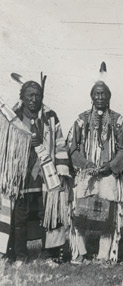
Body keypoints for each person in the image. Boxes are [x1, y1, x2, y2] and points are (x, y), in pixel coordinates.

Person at [67, 64, 123, 264]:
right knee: (79, 213)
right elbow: (72, 148)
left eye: (103, 94)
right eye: (97, 94)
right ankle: (80, 254)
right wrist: (85, 164)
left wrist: (111, 165)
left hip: (109, 175)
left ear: (109, 97)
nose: (100, 98)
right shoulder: (81, 120)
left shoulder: (119, 121)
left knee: (108, 215)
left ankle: (104, 256)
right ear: (92, 97)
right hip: (86, 175)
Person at [9, 77, 70, 264]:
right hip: (22, 176)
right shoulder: (14, 117)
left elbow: (60, 144)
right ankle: (20, 255)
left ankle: (48, 253)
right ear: (22, 97)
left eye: (37, 95)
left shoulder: (50, 116)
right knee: (20, 215)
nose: (33, 99)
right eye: (30, 95)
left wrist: (61, 170)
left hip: (46, 176)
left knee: (48, 214)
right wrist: (27, 142)